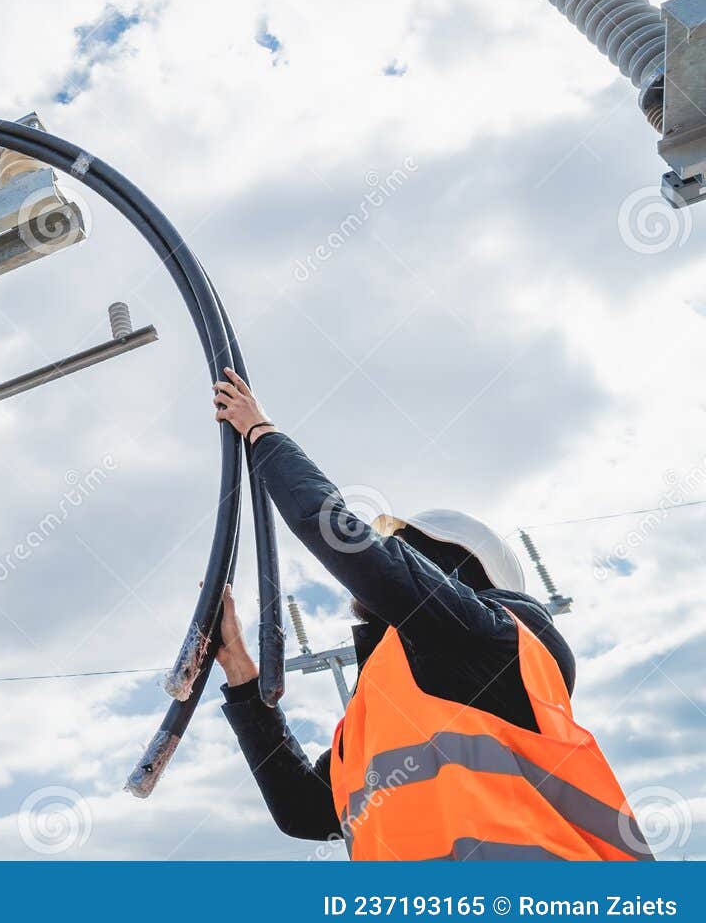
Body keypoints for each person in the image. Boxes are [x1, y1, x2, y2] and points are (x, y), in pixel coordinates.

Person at [208, 367, 651, 861]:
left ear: (458, 571)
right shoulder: (380, 706)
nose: (389, 553)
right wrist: (243, 679)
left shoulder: (498, 638)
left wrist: (262, 434)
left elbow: (346, 541)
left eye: (404, 548)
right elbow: (305, 810)